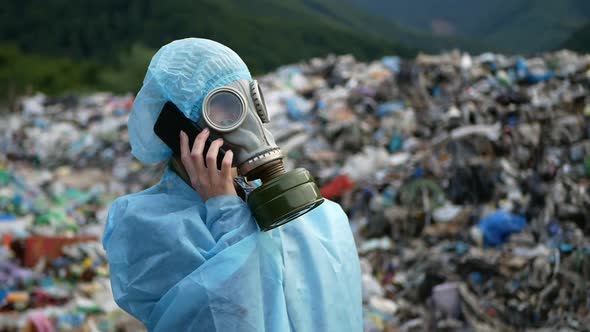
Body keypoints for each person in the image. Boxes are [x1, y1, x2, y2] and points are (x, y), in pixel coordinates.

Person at [103, 38, 362, 331]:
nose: (248, 124)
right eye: (223, 107)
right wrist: (224, 211)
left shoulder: (308, 216)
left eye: (250, 102)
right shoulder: (147, 223)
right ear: (177, 128)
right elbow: (219, 318)